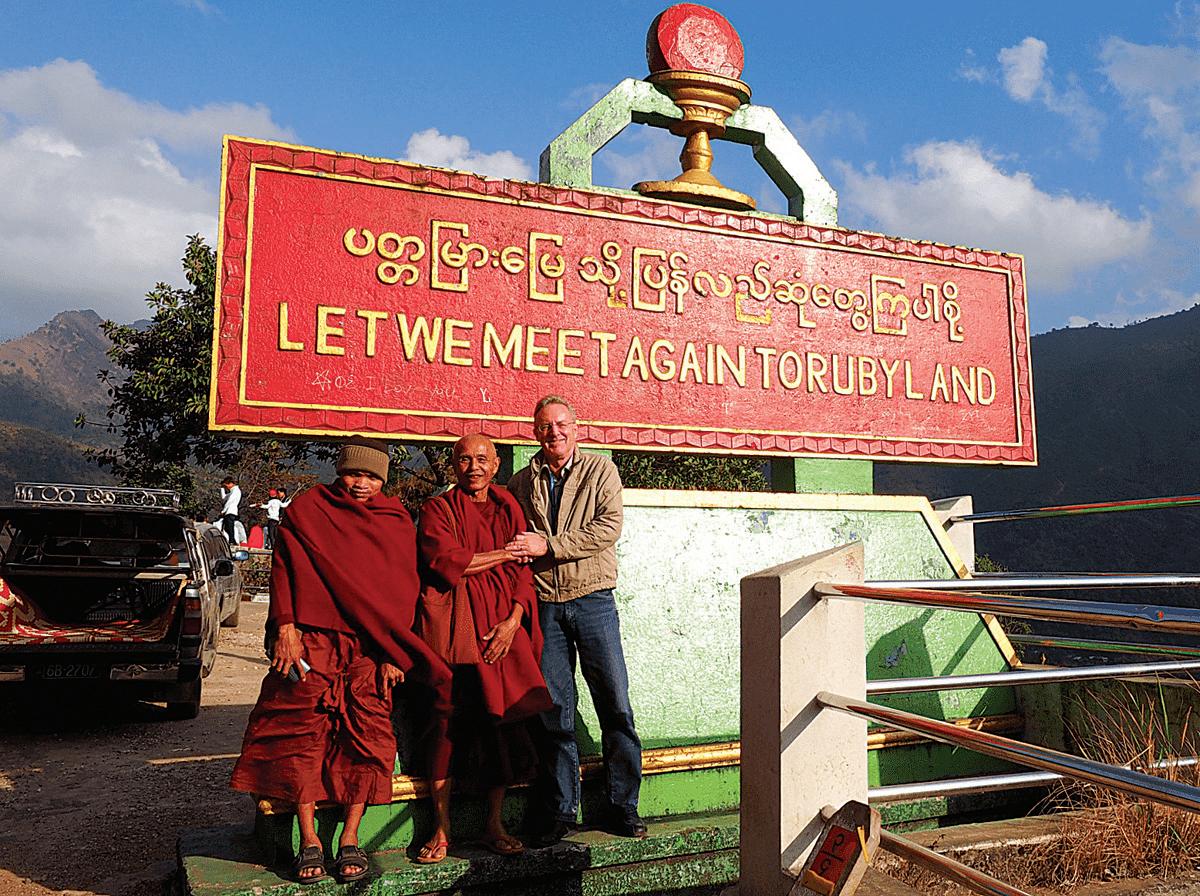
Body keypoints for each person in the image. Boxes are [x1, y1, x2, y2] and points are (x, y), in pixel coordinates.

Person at [230, 438, 450, 884]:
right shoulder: (309, 510)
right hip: (313, 639)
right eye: (353, 474)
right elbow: (284, 570)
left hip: (370, 648)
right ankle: (310, 839)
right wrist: (286, 627)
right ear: (339, 472)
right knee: (301, 734)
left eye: (371, 476)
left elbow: (402, 590)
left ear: (383, 479)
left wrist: (394, 652)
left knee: (367, 738)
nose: (361, 484)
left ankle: (350, 837)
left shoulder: (394, 520)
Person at [506, 396, 647, 845]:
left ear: (576, 427)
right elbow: (513, 537)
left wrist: (549, 546)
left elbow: (608, 528)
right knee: (554, 713)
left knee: (615, 705)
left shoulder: (601, 470)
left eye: (562, 424)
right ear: (535, 432)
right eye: (546, 426)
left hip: (593, 600)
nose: (555, 432)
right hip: (545, 603)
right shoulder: (521, 481)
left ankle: (623, 806)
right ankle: (561, 810)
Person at [413, 434, 553, 864]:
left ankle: (494, 823)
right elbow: (449, 562)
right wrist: (505, 553)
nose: (473, 467)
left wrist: (513, 622)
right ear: (453, 466)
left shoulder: (508, 506)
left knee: (500, 725)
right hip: (456, 628)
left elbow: (525, 574)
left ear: (495, 466)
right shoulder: (438, 509)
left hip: (500, 629)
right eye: (464, 459)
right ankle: (441, 827)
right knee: (445, 726)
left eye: (481, 459)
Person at [219, 476, 242, 545]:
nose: (227, 487)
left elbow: (229, 501)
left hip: (231, 511)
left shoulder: (236, 491)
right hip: (228, 511)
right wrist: (222, 489)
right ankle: (232, 540)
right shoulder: (232, 491)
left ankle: (232, 541)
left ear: (231, 483)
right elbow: (224, 498)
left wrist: (223, 511)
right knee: (227, 527)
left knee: (230, 527)